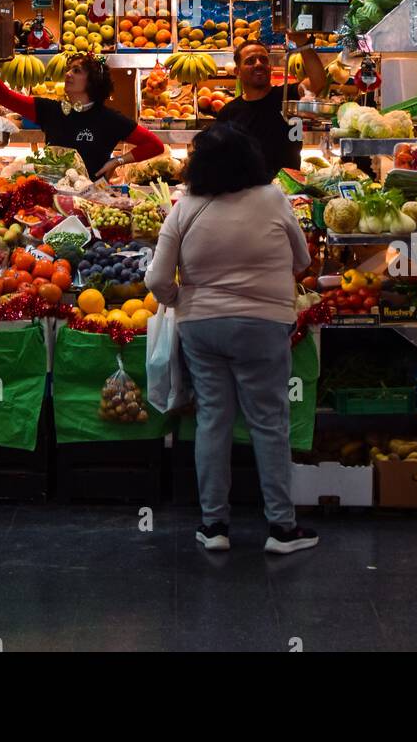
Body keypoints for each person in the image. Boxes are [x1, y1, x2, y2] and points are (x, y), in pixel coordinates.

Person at [146, 123, 317, 555]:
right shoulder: (273, 197)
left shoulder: (185, 207)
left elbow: (157, 279)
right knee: (269, 422)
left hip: (202, 327)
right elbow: (303, 259)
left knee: (212, 421)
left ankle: (214, 525)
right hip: (265, 325)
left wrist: (181, 300)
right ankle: (281, 528)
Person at [0, 52, 164, 181]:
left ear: (93, 81)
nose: (68, 74)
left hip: (91, 199)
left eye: (76, 71)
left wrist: (117, 161)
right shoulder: (50, 109)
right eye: (69, 69)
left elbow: (155, 145)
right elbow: (4, 97)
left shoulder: (110, 119)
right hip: (53, 197)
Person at [216, 35, 326, 183]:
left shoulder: (288, 97)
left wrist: (302, 42)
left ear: (270, 67)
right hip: (244, 195)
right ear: (237, 72)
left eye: (264, 60)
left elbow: (317, 81)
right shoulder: (228, 113)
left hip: (286, 192)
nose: (258, 64)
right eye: (250, 61)